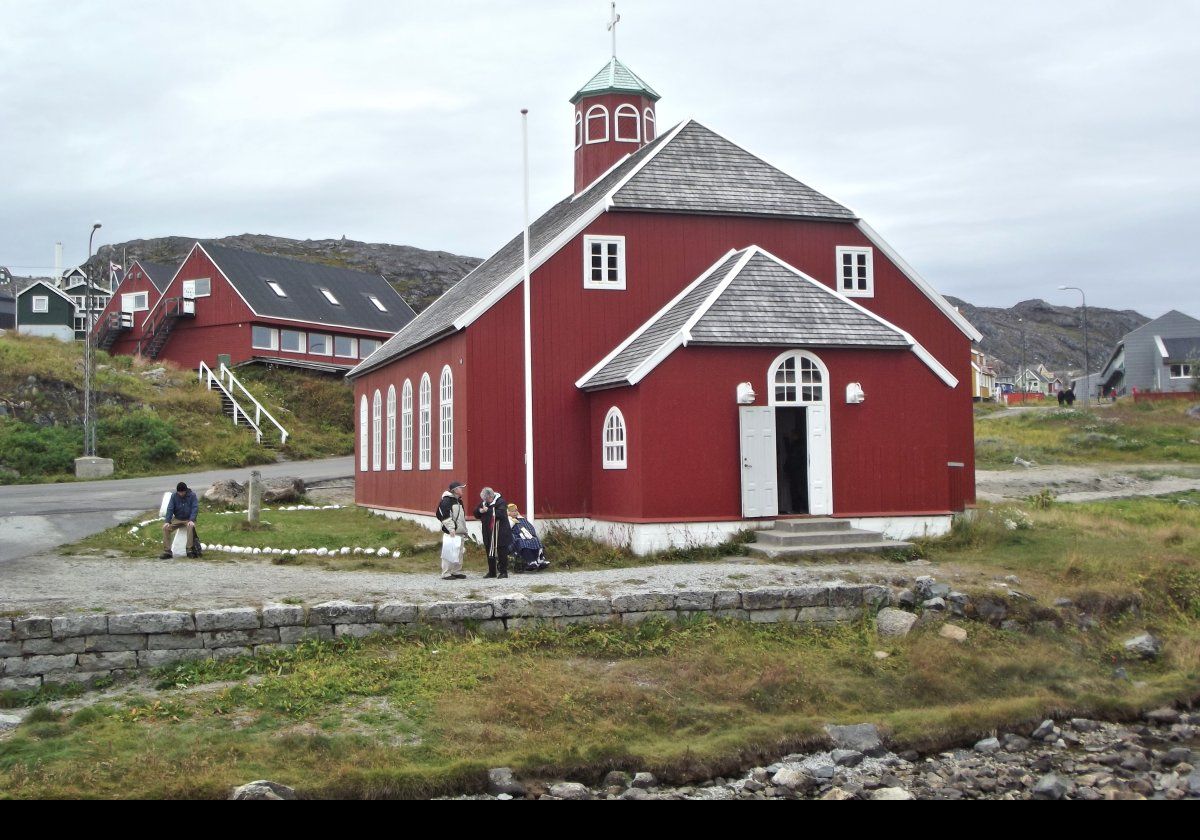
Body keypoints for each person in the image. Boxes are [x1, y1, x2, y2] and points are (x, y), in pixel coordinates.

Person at [474, 487, 511, 578]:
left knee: (501, 551)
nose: (486, 501)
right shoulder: (484, 503)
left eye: (487, 499)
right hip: (487, 531)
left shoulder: (500, 501)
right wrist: (480, 510)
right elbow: (475, 512)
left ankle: (503, 572)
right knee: (489, 551)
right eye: (484, 499)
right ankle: (492, 572)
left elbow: (501, 514)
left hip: (500, 531)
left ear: (491, 496)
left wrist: (489, 510)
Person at [435, 481, 468, 580]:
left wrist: (465, 530)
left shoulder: (459, 501)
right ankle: (446, 573)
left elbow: (461, 518)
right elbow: (445, 516)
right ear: (455, 490)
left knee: (459, 552)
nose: (462, 490)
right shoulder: (446, 501)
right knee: (449, 552)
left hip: (460, 531)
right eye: (460, 488)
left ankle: (456, 571)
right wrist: (451, 528)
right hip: (451, 532)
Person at [161, 481, 200, 559]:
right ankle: (167, 551)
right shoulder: (174, 496)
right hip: (177, 519)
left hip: (188, 519)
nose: (181, 494)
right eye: (179, 492)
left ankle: (189, 549)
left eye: (182, 492)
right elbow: (170, 508)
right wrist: (167, 521)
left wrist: (192, 520)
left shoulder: (192, 496)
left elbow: (195, 508)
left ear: (186, 491)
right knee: (165, 528)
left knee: (190, 527)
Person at [507, 503, 549, 572]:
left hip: (527, 536)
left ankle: (540, 560)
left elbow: (530, 527)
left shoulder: (522, 519)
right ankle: (531, 561)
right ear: (508, 512)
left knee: (535, 539)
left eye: (515, 511)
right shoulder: (507, 520)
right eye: (512, 511)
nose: (514, 513)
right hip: (515, 538)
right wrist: (513, 523)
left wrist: (530, 534)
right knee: (522, 542)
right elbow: (507, 531)